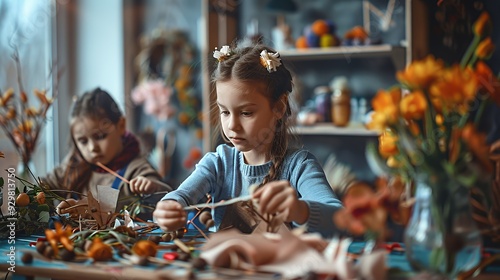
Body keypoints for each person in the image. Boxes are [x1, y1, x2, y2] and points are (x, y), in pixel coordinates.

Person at [153, 43, 343, 238]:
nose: (232, 125)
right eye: (225, 112)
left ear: (278, 107)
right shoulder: (218, 163)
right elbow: (180, 196)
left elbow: (340, 218)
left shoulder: (298, 166)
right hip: (225, 265)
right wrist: (168, 209)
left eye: (246, 113)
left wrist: (300, 210)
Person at [41, 87, 172, 219]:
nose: (92, 148)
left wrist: (152, 187)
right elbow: (42, 188)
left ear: (121, 126)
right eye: (83, 141)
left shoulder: (136, 169)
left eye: (100, 136)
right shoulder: (73, 165)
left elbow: (167, 199)